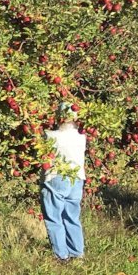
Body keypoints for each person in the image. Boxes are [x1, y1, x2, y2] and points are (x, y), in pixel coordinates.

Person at [41, 101, 86, 262]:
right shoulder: (82, 137)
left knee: (54, 217)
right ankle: (77, 254)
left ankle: (61, 256)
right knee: (72, 217)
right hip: (77, 179)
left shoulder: (51, 136)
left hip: (56, 178)